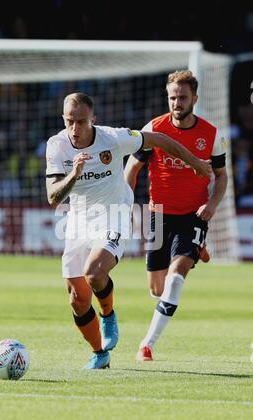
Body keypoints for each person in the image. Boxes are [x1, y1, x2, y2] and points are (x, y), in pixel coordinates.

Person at [46, 92, 212, 369]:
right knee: (77, 299)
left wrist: (194, 162)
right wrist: (74, 175)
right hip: (77, 219)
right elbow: (53, 197)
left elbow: (158, 139)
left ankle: (108, 315)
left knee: (94, 272)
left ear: (93, 120)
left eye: (81, 122)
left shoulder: (113, 138)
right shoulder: (57, 146)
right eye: (69, 122)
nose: (75, 129)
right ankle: (100, 354)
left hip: (114, 214)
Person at [124, 70, 228, 362]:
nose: (177, 103)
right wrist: (125, 206)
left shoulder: (211, 134)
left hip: (193, 215)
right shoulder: (154, 129)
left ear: (194, 98)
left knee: (175, 278)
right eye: (172, 97)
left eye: (182, 97)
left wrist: (212, 204)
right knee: (157, 289)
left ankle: (147, 344)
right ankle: (197, 250)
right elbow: (131, 170)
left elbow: (221, 177)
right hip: (158, 213)